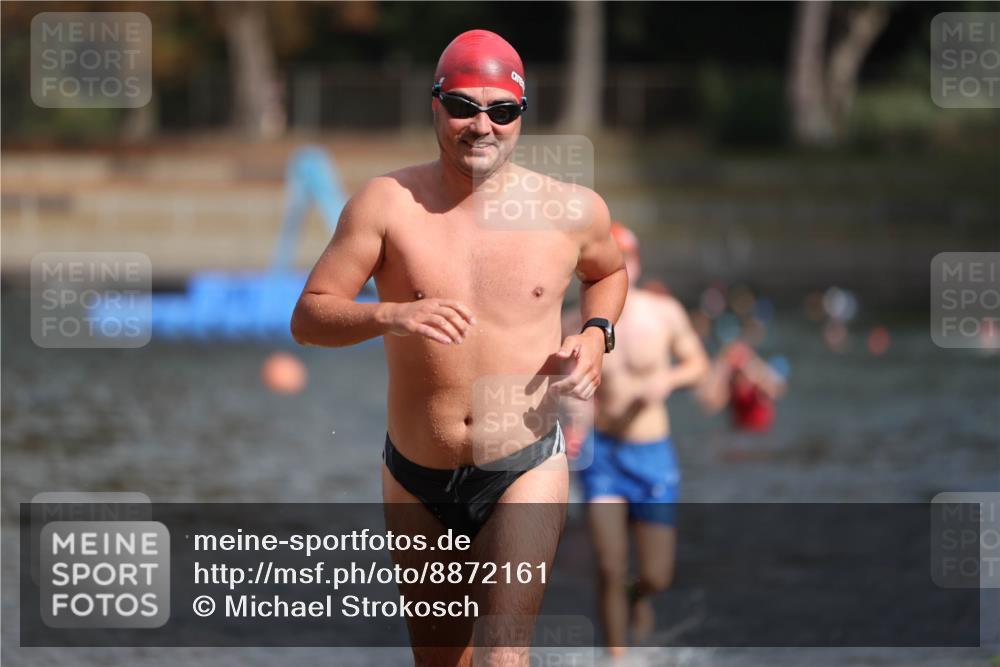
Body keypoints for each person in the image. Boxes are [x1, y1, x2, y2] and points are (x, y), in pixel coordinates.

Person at [291, 29, 628, 667]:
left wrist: (594, 335)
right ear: (435, 104)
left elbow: (609, 274)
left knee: (504, 657)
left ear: (521, 115)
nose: (482, 125)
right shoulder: (385, 205)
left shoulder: (569, 211)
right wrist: (392, 314)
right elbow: (309, 318)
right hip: (416, 479)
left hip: (524, 466)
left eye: (501, 111)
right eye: (463, 107)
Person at [566, 222, 709, 658]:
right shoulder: (573, 323)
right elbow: (568, 391)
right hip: (603, 456)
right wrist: (572, 424)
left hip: (652, 453)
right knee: (609, 566)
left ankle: (639, 595)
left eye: (623, 259)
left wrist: (667, 379)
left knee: (657, 574)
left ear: (636, 263)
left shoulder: (663, 313)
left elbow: (698, 364)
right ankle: (616, 655)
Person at [696, 339, 786, 433]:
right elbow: (710, 405)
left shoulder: (759, 380)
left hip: (761, 432)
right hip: (739, 431)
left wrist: (753, 370)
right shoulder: (728, 383)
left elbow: (775, 391)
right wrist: (722, 366)